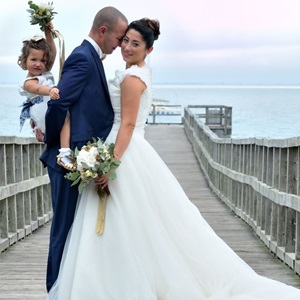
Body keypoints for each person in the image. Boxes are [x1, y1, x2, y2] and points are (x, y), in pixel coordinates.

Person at [48, 18, 300, 299]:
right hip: (128, 146)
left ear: (149, 50)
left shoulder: (132, 78)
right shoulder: (139, 72)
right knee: (137, 222)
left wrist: (110, 164)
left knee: (122, 220)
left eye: (136, 44)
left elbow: (128, 125)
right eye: (126, 41)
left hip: (122, 150)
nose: (127, 47)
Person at [38, 6, 128, 292]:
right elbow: (59, 103)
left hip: (80, 158)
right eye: (118, 39)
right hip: (67, 161)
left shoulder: (90, 57)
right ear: (103, 31)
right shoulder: (83, 57)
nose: (119, 46)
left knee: (74, 230)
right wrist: (54, 144)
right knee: (63, 230)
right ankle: (54, 291)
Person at [18, 23, 60, 134]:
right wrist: (50, 90)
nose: (38, 64)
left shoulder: (44, 72)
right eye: (34, 59)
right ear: (25, 60)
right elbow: (38, 89)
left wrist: (48, 32)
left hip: (52, 109)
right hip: (42, 115)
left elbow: (53, 53)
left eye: (42, 60)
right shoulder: (27, 83)